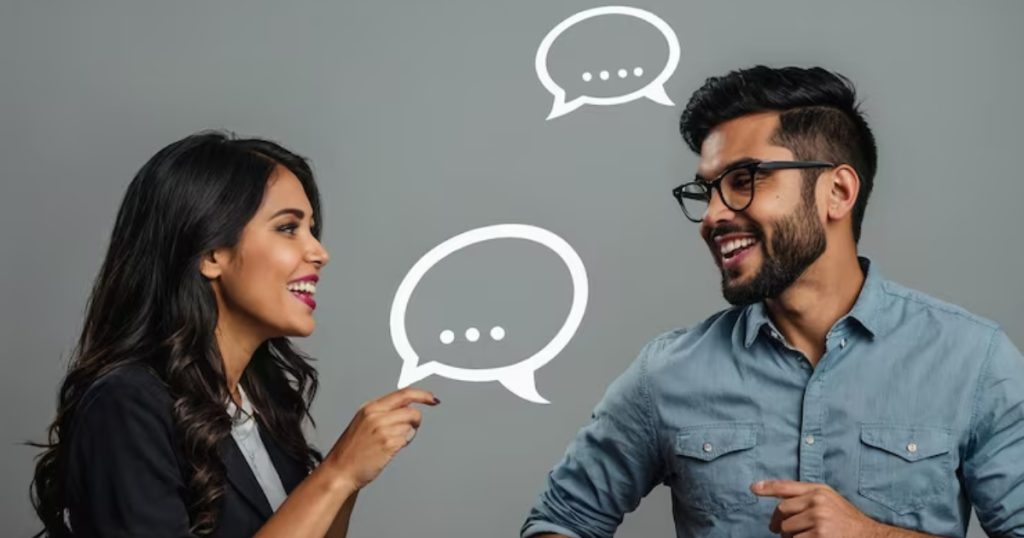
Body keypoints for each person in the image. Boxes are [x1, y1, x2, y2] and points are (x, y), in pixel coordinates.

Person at [521, 66, 1024, 537]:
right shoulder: (666, 374)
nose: (712, 216)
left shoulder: (974, 360)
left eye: (744, 180)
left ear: (838, 191)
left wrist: (872, 534)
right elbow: (560, 521)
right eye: (707, 191)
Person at [28, 131, 439, 537]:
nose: (319, 252)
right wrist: (338, 474)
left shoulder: (261, 402)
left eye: (312, 229)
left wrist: (350, 480)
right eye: (288, 228)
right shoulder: (126, 406)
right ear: (210, 254)